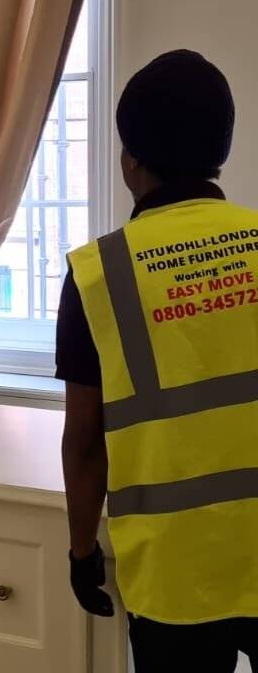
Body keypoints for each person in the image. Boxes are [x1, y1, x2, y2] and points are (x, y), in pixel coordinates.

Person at [58, 50, 258, 672]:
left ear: (130, 161)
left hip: (175, 569)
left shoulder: (98, 275)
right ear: (222, 149)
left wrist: (81, 551)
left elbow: (84, 442)